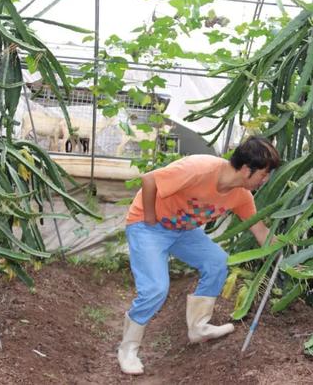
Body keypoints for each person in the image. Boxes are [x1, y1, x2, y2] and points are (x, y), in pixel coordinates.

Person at [118, 136, 280, 375]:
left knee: (217, 262)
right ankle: (128, 348)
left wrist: (288, 251)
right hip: (147, 225)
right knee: (155, 289)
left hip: (182, 231)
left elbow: (260, 232)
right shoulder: (199, 168)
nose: (265, 180)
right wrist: (151, 218)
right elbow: (149, 179)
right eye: (263, 174)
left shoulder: (241, 196)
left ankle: (198, 327)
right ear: (247, 169)